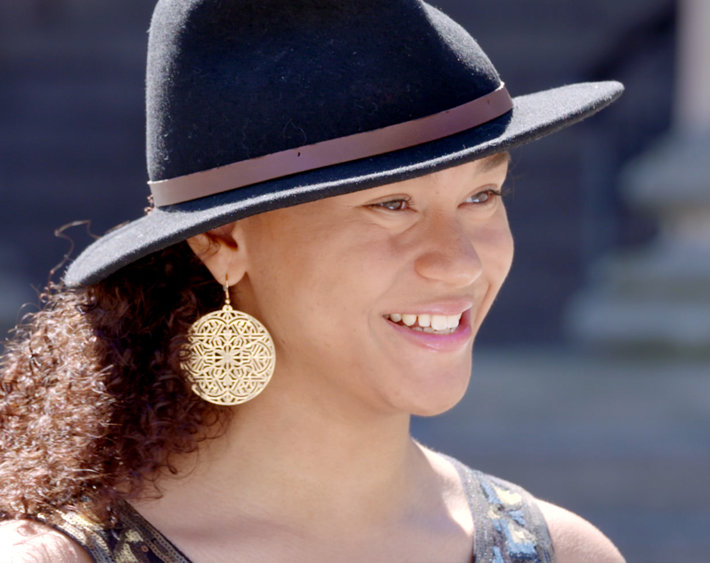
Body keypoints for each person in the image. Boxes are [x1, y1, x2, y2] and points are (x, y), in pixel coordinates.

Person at [0, 0, 624, 561]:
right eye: (392, 204)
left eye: (482, 194)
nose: (461, 263)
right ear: (223, 242)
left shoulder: (565, 555)